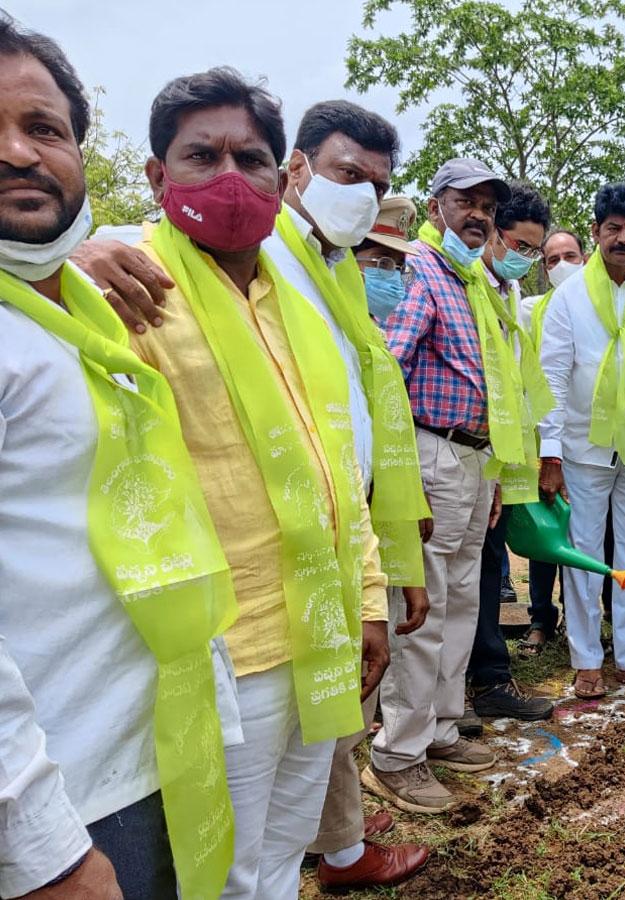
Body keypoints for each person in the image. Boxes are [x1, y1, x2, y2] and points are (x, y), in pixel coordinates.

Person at [124, 68, 393, 898]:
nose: (231, 177)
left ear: (284, 178)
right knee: (220, 867)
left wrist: (371, 603)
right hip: (220, 649)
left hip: (317, 624)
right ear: (157, 176)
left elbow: (335, 469)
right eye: (202, 156)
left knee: (281, 850)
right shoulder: (124, 287)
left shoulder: (291, 305)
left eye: (251, 157)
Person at [0, 21, 237, 899]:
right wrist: (41, 849)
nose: (20, 153)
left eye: (45, 128)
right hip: (57, 801)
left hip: (151, 753)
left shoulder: (78, 313)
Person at [270, 101, 431, 891]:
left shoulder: (333, 271)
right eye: (346, 174)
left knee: (337, 687)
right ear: (294, 168)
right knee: (307, 692)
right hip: (285, 516)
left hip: (346, 509)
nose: (362, 195)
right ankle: (327, 849)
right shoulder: (261, 254)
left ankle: (333, 843)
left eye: (378, 183)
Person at [369, 158, 524, 813]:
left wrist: (491, 475)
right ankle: (398, 753)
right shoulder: (420, 272)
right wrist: (407, 484)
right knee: (423, 608)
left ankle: (438, 727)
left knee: (462, 601)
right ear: (435, 208)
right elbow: (389, 372)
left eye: (488, 205)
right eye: (466, 201)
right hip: (430, 452)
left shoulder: (472, 281)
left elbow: (492, 382)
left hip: (472, 456)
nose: (479, 213)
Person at [538, 181, 625, 700]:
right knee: (582, 553)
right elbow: (552, 377)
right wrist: (549, 452)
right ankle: (586, 660)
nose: (624, 238)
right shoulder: (567, 296)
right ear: (596, 231)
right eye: (614, 229)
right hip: (582, 447)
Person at [467, 182, 556, 721]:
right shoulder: (470, 284)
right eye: (519, 245)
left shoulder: (507, 293)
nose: (526, 259)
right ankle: (479, 681)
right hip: (470, 452)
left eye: (534, 251)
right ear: (493, 235)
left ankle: (487, 677)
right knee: (470, 574)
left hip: (498, 458)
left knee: (485, 567)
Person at [518, 227, 588, 656]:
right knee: (547, 533)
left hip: (597, 442)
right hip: (548, 439)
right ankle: (542, 618)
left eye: (569, 255)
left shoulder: (605, 309)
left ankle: (599, 622)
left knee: (595, 538)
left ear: (586, 256)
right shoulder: (533, 310)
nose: (561, 265)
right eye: (551, 260)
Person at [357, 195, 422, 323]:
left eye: (401, 268)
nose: (395, 278)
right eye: (383, 263)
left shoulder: (370, 326)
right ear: (348, 257)